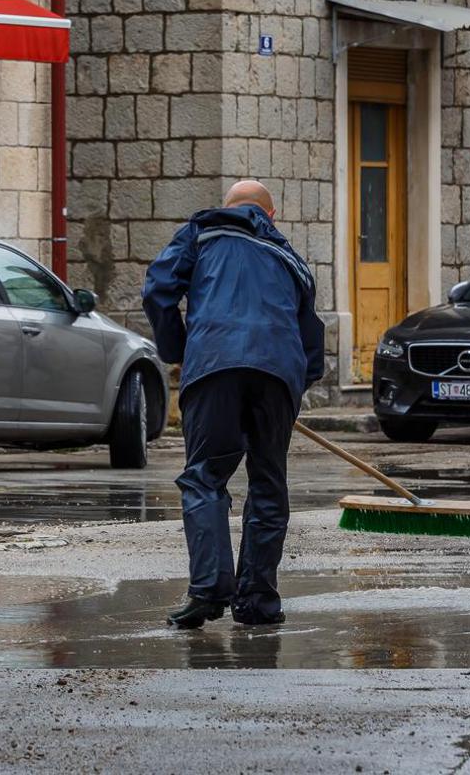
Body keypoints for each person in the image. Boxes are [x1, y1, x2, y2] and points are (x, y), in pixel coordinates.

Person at [142, 180, 325, 628]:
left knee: (205, 478)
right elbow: (312, 338)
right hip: (278, 374)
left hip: (215, 367)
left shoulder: (201, 233)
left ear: (228, 208)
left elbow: (158, 291)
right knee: (267, 484)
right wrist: (292, 386)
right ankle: (258, 602)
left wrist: (180, 350)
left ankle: (208, 589)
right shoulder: (292, 260)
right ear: (271, 216)